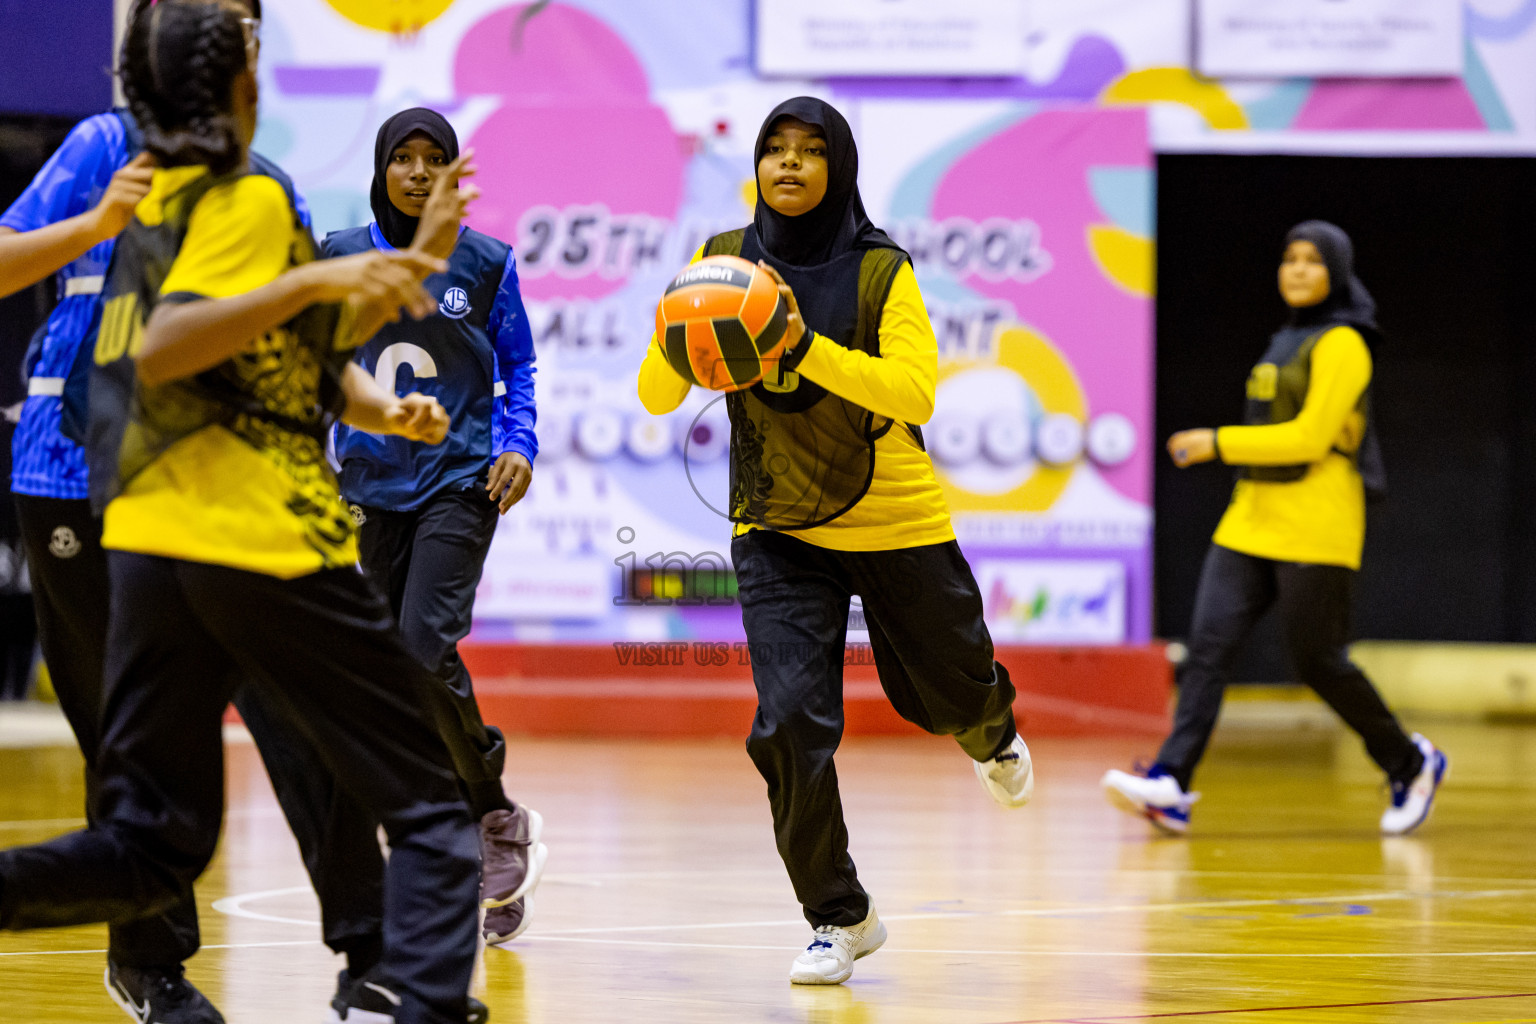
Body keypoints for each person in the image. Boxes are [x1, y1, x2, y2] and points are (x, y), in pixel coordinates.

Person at [0, 3, 482, 1022]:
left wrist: (380, 370)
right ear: (225, 77)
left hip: (152, 524)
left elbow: (281, 342)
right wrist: (328, 278)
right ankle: (176, 969)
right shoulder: (139, 167)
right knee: (421, 807)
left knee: (177, 818)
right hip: (182, 510)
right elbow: (186, 337)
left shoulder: (228, 190)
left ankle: (373, 965)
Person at [637, 96, 1031, 986]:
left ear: (838, 167)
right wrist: (685, 335)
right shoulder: (720, 262)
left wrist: (796, 341)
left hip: (894, 520)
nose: (788, 164)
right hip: (776, 526)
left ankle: (990, 728)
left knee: (946, 700)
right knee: (788, 727)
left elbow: (915, 394)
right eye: (774, 148)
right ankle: (838, 915)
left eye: (810, 151)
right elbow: (658, 394)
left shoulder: (880, 269)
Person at [1101, 220, 1447, 837]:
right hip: (1250, 519)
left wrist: (1217, 442)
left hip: (1317, 521)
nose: (1297, 269)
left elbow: (1312, 438)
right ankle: (1172, 782)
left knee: (1319, 662)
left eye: (1314, 260)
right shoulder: (1286, 338)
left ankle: (1411, 761)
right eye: (1289, 258)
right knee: (1207, 649)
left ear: (1336, 272)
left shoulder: (1345, 344)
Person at [323, 108, 544, 946]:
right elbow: (313, 360)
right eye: (403, 159)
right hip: (369, 488)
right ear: (380, 169)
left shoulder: (486, 263)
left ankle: (482, 821)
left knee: (420, 646)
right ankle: (474, 825)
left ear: (454, 175)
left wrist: (519, 442)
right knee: (389, 669)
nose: (418, 173)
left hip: (460, 482)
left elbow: (518, 361)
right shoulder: (339, 257)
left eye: (434, 160)